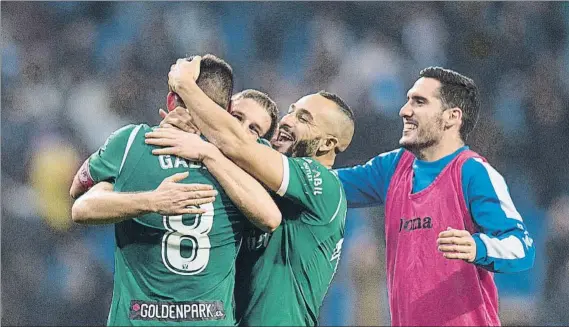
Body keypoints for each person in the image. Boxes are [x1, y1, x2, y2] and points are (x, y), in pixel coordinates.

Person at [69, 54, 282, 326]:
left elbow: (79, 194)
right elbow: (271, 216)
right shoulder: (247, 160)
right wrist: (155, 199)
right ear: (225, 110)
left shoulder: (132, 142)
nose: (243, 130)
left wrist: (150, 198)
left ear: (171, 101)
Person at [144, 56, 355, 326]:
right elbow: (234, 143)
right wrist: (184, 122)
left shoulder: (323, 184)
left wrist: (185, 85)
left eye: (303, 118)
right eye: (291, 110)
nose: (287, 121)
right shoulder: (261, 178)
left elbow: (235, 142)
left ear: (327, 143)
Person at [335, 67, 536, 326]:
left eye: (419, 102)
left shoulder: (473, 172)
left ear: (452, 117)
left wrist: (479, 247)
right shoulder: (392, 167)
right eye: (408, 100)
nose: (404, 111)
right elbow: (326, 187)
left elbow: (522, 247)